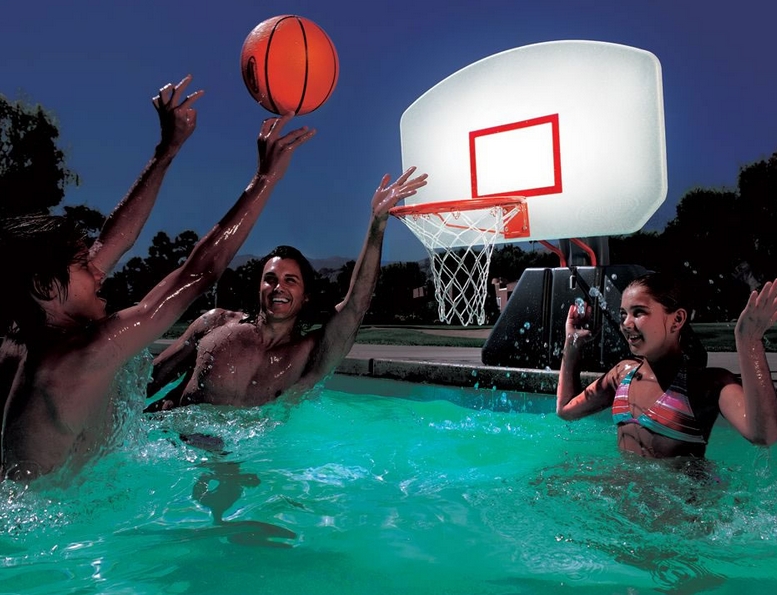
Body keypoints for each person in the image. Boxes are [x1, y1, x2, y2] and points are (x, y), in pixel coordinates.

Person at [0, 75, 314, 481]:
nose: (99, 269)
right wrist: (266, 178)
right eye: (83, 264)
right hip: (46, 532)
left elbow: (116, 237)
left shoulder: (30, 335)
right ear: (45, 288)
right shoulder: (79, 358)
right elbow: (199, 272)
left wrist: (167, 150)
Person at [146, 167, 428, 409]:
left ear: (305, 296)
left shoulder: (309, 354)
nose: (278, 287)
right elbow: (148, 381)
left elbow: (356, 304)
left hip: (238, 458)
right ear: (259, 286)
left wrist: (377, 223)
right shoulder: (215, 324)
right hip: (171, 440)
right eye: (270, 278)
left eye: (290, 280)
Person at [556, 271, 777, 459]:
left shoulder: (706, 385)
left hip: (681, 508)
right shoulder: (623, 374)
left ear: (677, 319)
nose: (625, 324)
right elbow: (565, 410)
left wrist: (748, 341)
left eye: (639, 312)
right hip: (625, 505)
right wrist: (572, 343)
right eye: (623, 314)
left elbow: (764, 434)